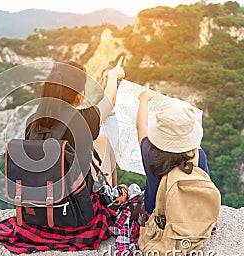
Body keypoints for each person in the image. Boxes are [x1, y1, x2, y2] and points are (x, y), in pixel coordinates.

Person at [26, 58, 124, 191]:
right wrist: (113, 77)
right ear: (80, 96)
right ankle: (111, 200)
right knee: (104, 143)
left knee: (99, 141)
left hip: (41, 201)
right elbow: (109, 100)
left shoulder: (33, 122)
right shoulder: (80, 120)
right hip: (74, 206)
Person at [136, 86, 210, 214]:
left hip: (156, 215)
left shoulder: (150, 152)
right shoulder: (199, 156)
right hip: (188, 217)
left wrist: (144, 100)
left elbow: (141, 126)